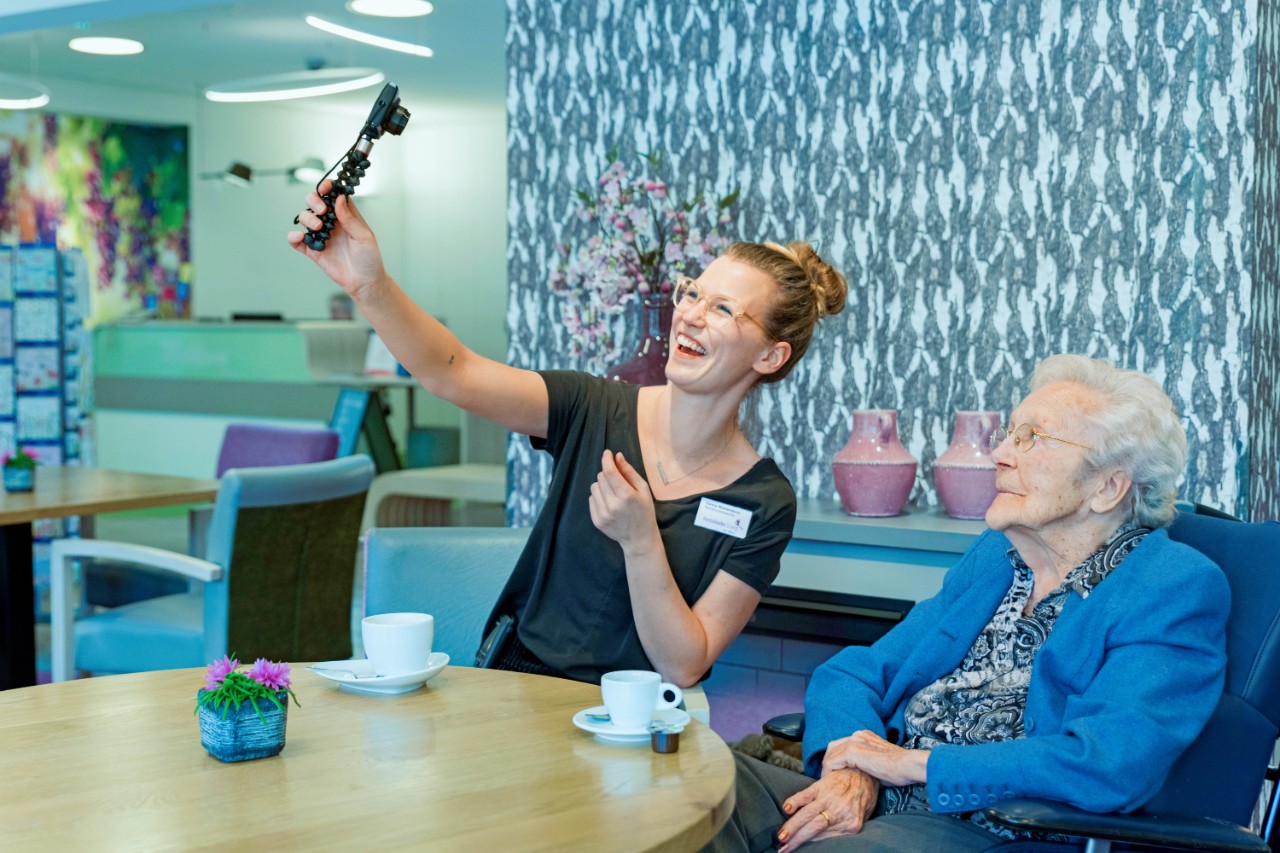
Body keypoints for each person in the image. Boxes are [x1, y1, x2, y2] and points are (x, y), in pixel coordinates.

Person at [290, 182, 848, 686]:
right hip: (520, 690)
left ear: (771, 356)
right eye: (693, 293)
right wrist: (370, 285)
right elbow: (451, 371)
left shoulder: (762, 501)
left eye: (724, 308)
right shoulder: (592, 406)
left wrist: (640, 539)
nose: (692, 315)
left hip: (634, 724)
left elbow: (684, 663)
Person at [705, 354, 1231, 852]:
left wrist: (912, 765)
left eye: (1034, 439)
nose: (1001, 453)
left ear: (1108, 487)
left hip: (996, 829)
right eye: (1011, 433)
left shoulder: (1171, 587)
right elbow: (855, 672)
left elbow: (1107, 761)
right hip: (881, 799)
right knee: (691, 787)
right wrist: (852, 774)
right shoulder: (1001, 560)